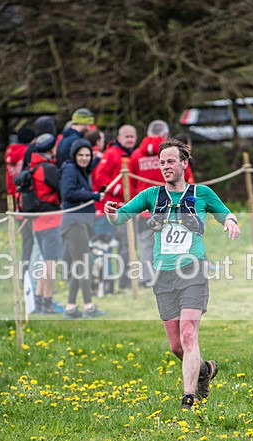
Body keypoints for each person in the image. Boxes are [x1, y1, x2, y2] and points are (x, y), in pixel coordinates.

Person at [104, 139, 240, 410]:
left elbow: (225, 214)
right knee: (176, 346)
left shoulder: (201, 193)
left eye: (170, 161)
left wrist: (230, 223)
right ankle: (204, 371)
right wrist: (111, 214)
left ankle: (188, 399)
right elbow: (121, 217)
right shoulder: (151, 196)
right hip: (163, 275)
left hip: (193, 271)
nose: (165, 167)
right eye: (162, 162)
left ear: (183, 164)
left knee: (189, 335)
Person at [59, 138, 106, 318]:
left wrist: (98, 156)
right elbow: (67, 193)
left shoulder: (80, 170)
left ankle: (70, 308)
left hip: (82, 222)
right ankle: (89, 307)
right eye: (81, 155)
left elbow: (90, 166)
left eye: (87, 155)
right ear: (74, 155)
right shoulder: (70, 170)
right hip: (74, 223)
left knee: (80, 267)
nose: (85, 158)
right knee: (83, 265)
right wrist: (94, 195)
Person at [93, 124, 138, 289]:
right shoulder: (112, 154)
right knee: (121, 245)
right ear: (119, 138)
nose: (130, 139)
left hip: (131, 207)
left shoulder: (135, 154)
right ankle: (119, 283)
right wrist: (119, 191)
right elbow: (100, 177)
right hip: (115, 208)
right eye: (126, 136)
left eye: (132, 136)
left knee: (130, 245)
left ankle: (127, 280)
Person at [129, 119, 171, 286]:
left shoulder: (136, 155)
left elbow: (129, 185)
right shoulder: (170, 154)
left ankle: (146, 278)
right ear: (165, 134)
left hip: (144, 208)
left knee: (146, 244)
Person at [29, 133, 63, 313]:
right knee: (51, 263)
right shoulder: (48, 169)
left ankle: (39, 299)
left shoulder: (33, 167)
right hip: (51, 221)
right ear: (51, 149)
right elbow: (61, 189)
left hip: (38, 222)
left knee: (45, 262)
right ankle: (48, 302)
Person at [5, 125, 37, 273]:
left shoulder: (10, 152)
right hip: (26, 202)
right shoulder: (27, 153)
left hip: (15, 201)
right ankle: (31, 277)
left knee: (27, 241)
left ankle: (25, 274)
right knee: (34, 241)